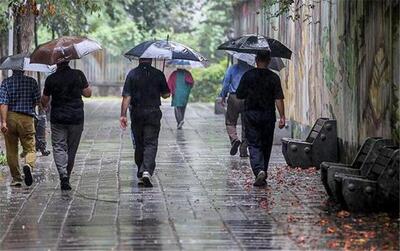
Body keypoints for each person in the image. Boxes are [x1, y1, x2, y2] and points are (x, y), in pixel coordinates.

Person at [236, 51, 286, 186]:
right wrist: (282, 116)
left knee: (253, 144)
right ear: (269, 61)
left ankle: (259, 170)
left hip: (251, 114)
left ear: (256, 60)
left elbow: (239, 94)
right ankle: (263, 170)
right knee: (266, 144)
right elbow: (278, 98)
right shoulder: (274, 77)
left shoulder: (248, 75)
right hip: (268, 116)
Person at [41, 61, 92, 190]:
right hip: (76, 118)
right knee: (71, 149)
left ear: (56, 63)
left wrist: (45, 104)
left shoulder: (51, 79)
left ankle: (63, 175)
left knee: (58, 147)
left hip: (58, 118)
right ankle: (67, 176)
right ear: (69, 61)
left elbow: (45, 100)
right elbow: (88, 93)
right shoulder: (78, 75)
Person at [120, 58, 170, 188]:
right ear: (151, 60)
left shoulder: (132, 74)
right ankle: (146, 170)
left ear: (140, 59)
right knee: (151, 142)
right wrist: (160, 90)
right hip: (153, 112)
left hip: (137, 113)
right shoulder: (158, 74)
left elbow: (127, 96)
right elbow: (166, 94)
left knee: (139, 142)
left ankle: (141, 170)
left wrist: (123, 115)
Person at [0, 70, 40, 187]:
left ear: (12, 69)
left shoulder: (6, 82)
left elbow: (3, 103)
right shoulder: (32, 82)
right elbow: (37, 100)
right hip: (27, 118)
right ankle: (28, 164)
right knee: (30, 147)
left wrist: (3, 122)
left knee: (11, 149)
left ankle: (16, 178)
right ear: (23, 70)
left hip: (10, 117)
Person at [219, 59, 253, 157]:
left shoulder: (232, 69)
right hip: (248, 98)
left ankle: (234, 139)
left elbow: (226, 83)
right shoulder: (251, 70)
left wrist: (223, 96)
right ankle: (243, 150)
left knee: (230, 122)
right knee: (247, 124)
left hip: (234, 97)